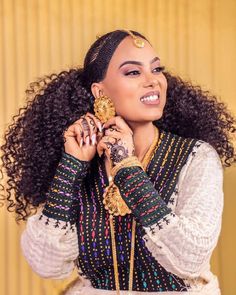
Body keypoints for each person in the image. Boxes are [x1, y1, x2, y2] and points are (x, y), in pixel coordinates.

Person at [1, 29, 236, 295]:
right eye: (133, 72)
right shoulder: (83, 162)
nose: (153, 81)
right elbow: (47, 265)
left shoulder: (197, 157)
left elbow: (190, 259)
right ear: (99, 91)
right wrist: (71, 166)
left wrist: (127, 166)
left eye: (157, 69)